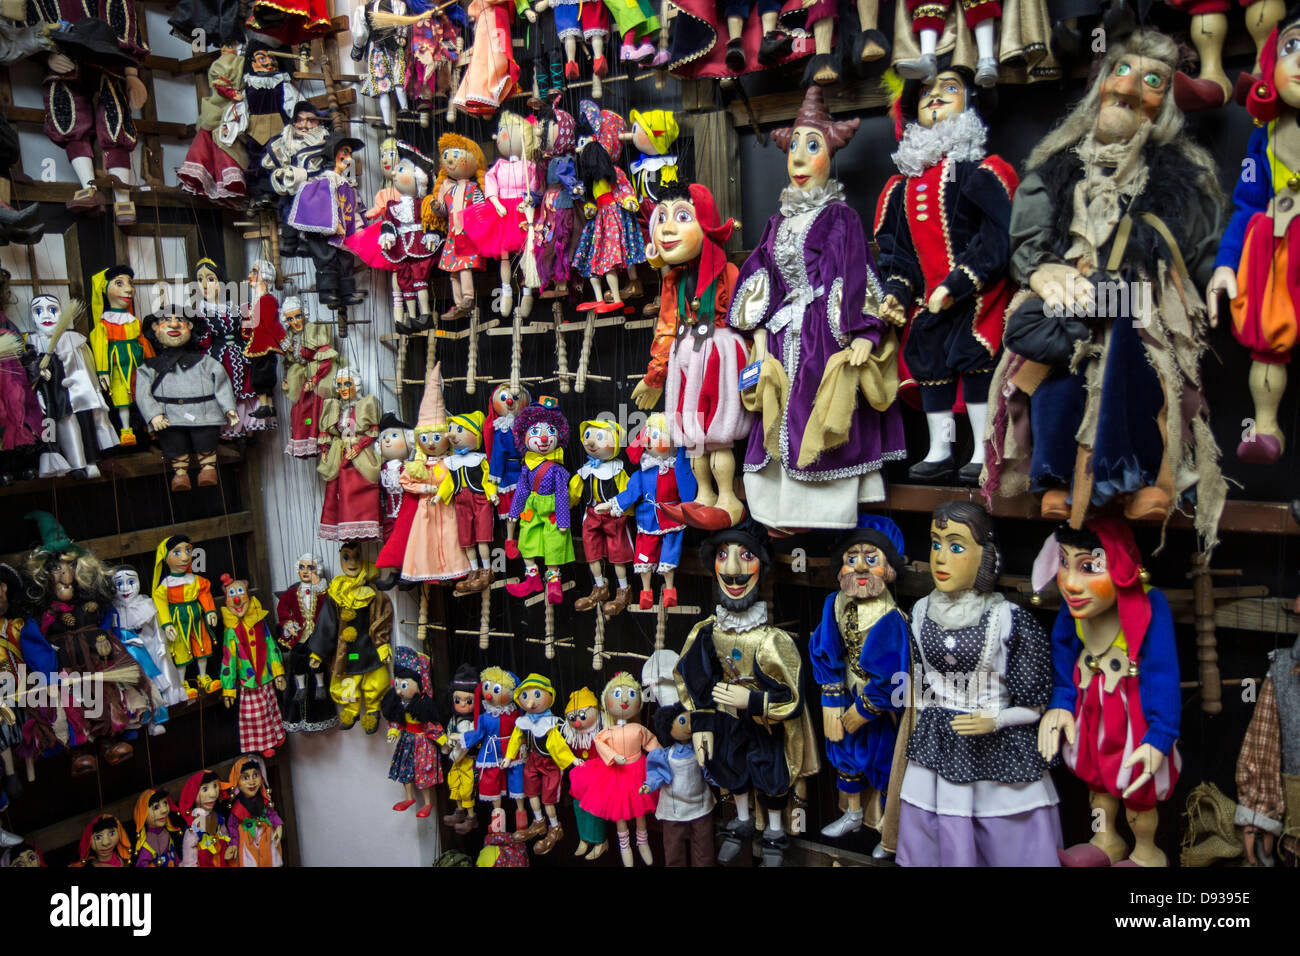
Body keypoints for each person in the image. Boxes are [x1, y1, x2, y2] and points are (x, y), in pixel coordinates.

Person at [728, 85, 904, 531]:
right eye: (795, 149)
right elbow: (761, 274)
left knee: (823, 412)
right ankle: (781, 509)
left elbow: (854, 273)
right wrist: (760, 334)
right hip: (785, 332)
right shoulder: (777, 222)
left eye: (814, 147)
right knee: (776, 414)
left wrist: (863, 333)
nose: (801, 159)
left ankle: (824, 509)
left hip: (824, 334)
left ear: (830, 155)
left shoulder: (839, 217)